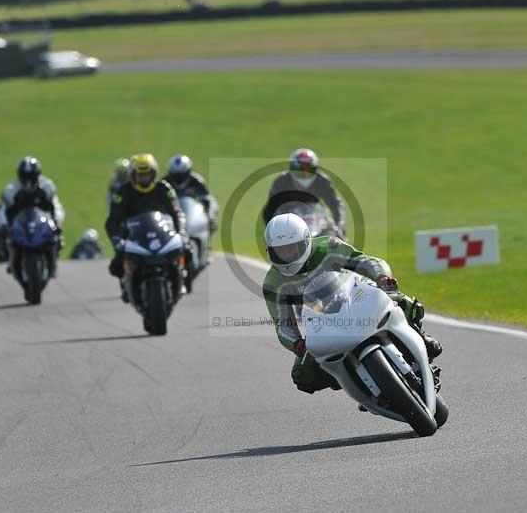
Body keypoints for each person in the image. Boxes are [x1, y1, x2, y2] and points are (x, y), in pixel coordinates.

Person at [262, 213, 442, 395]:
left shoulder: (328, 247)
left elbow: (364, 261)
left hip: (355, 295)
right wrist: (296, 343)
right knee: (303, 375)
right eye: (281, 251)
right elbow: (283, 323)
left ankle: (420, 337)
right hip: (322, 319)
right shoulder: (273, 283)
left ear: (305, 242)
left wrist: (381, 277)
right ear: (271, 251)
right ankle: (357, 383)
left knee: (401, 302)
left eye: (292, 248)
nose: (287, 255)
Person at [105, 153, 186, 300]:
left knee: (187, 249)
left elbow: (177, 213)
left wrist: (181, 232)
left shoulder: (164, 189)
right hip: (133, 236)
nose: (143, 179)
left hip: (161, 233)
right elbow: (112, 221)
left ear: (153, 174)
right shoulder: (123, 192)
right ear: (132, 175)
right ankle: (126, 283)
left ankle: (182, 276)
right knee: (116, 265)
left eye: (147, 175)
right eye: (140, 175)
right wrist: (117, 241)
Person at [0, 156, 65, 273]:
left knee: (57, 234)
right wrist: (4, 225)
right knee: (8, 238)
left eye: (32, 177)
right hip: (19, 223)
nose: (29, 182)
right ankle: (11, 261)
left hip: (44, 221)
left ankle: (53, 260)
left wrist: (57, 221)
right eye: (26, 177)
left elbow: (56, 206)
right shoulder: (11, 190)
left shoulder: (47, 186)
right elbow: (3, 210)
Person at [262, 148, 346, 237]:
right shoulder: (281, 181)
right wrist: (273, 232)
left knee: (338, 234)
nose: (305, 175)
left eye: (309, 171)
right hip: (288, 219)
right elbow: (270, 210)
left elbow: (335, 204)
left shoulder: (323, 181)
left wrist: (339, 224)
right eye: (300, 171)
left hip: (315, 217)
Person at [164, 154, 218, 234]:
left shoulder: (196, 181)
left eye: (182, 175)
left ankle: (205, 244)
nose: (179, 178)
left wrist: (210, 215)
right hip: (171, 215)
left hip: (193, 216)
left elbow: (208, 200)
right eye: (175, 176)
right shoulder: (165, 182)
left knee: (211, 225)